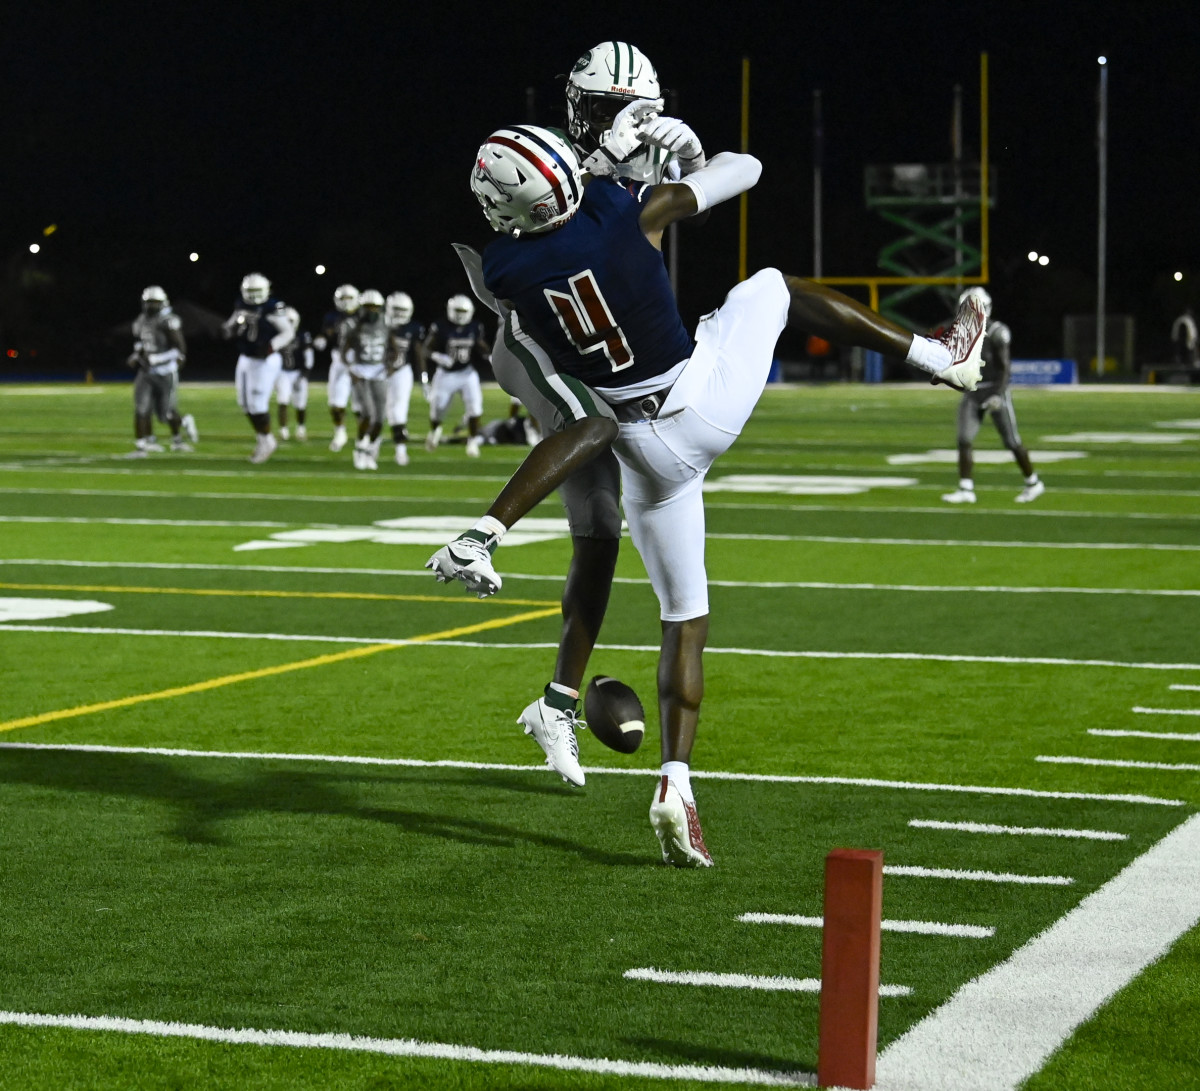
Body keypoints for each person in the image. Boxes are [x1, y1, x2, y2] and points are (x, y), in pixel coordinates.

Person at [429, 122, 986, 867]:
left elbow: (556, 338)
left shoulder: (503, 272)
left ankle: (677, 786)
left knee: (682, 615)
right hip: (696, 405)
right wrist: (677, 149)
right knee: (774, 288)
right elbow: (745, 169)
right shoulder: (618, 209)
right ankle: (939, 355)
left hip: (637, 451)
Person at [448, 42, 692, 806]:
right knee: (591, 428)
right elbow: (530, 221)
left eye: (628, 110)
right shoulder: (540, 161)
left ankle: (555, 704)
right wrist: (607, 169)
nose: (620, 122)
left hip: (595, 333)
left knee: (600, 527)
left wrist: (684, 164)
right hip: (535, 335)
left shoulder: (619, 158)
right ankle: (481, 534)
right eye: (611, 109)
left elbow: (646, 224)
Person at [941, 288, 1044, 504]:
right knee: (964, 439)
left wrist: (998, 393)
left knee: (1012, 442)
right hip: (973, 391)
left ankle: (1033, 482)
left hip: (994, 391)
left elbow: (1005, 368)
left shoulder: (997, 332)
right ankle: (966, 489)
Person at [221, 272, 295, 464]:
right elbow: (231, 323)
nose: (253, 296)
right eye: (250, 291)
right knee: (244, 402)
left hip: (265, 359)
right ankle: (264, 439)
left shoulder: (273, 307)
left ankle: (267, 441)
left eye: (256, 291)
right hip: (246, 357)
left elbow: (288, 332)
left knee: (257, 403)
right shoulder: (241, 304)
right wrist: (228, 328)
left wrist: (271, 346)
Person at [128, 285, 198, 455]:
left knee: (165, 415)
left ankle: (182, 427)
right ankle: (142, 446)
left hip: (166, 372)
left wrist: (157, 359)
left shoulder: (168, 320)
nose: (151, 306)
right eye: (148, 302)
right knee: (141, 409)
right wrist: (136, 355)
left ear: (162, 303)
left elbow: (180, 349)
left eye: (154, 302)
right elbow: (141, 343)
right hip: (146, 372)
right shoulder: (140, 320)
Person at [422, 295, 491, 457]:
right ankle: (435, 430)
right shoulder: (441, 326)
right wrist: (437, 356)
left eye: (463, 311)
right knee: (437, 410)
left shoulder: (474, 326)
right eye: (457, 310)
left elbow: (480, 345)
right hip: (445, 375)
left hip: (466, 373)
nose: (460, 314)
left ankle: (472, 441)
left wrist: (489, 355)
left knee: (475, 408)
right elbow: (426, 349)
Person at [341, 289, 391, 471]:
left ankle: (370, 450)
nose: (371, 311)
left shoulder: (387, 323)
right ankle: (360, 447)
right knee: (367, 414)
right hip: (360, 370)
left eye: (375, 307)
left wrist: (391, 366)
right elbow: (344, 350)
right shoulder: (352, 324)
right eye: (367, 307)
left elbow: (395, 347)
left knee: (380, 418)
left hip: (378, 369)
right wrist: (350, 368)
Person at [384, 291, 426, 466]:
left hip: (402, 372)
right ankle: (370, 446)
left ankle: (400, 450)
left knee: (398, 410)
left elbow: (418, 353)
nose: (400, 314)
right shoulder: (380, 324)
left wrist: (423, 378)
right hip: (380, 372)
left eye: (403, 310)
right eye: (397, 309)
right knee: (379, 411)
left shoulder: (413, 328)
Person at [317, 284, 360, 452]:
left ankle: (363, 436)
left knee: (361, 404)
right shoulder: (333, 316)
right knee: (336, 402)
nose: (346, 302)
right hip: (339, 359)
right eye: (343, 298)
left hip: (360, 360)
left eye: (349, 298)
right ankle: (340, 432)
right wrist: (322, 338)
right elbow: (327, 332)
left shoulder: (363, 315)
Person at [275, 309, 314, 441]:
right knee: (282, 401)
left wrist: (304, 374)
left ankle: (301, 428)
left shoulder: (302, 335)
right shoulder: (277, 336)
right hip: (282, 372)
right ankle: (283, 430)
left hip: (298, 372)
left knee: (300, 404)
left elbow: (309, 356)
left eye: (289, 321)